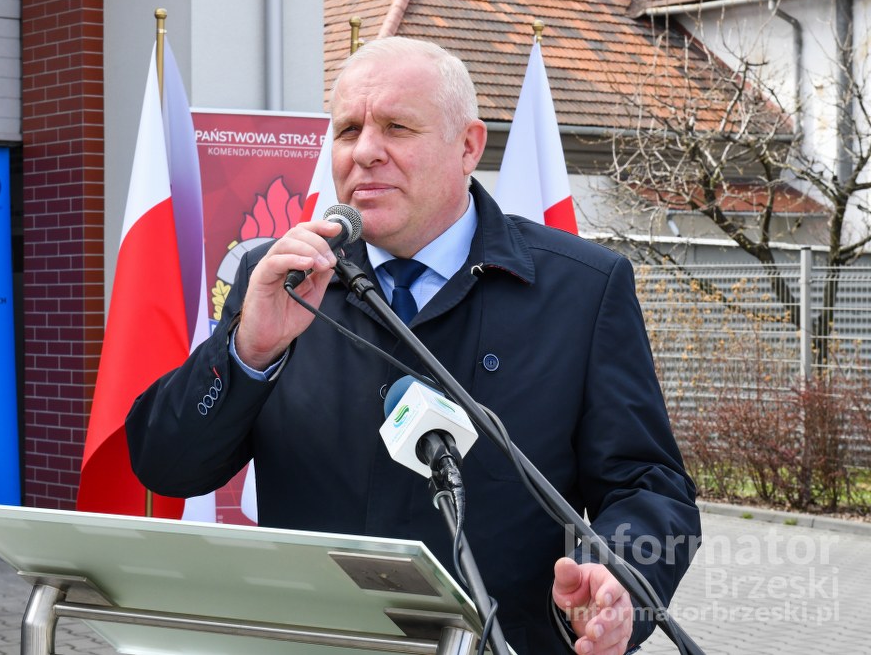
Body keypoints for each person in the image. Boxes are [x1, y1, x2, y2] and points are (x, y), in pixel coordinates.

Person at [126, 37, 700, 655]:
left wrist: (620, 580)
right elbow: (167, 466)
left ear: (468, 147)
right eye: (348, 130)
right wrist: (249, 351)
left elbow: (648, 486)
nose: (365, 152)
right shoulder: (279, 280)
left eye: (397, 127)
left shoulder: (580, 287)